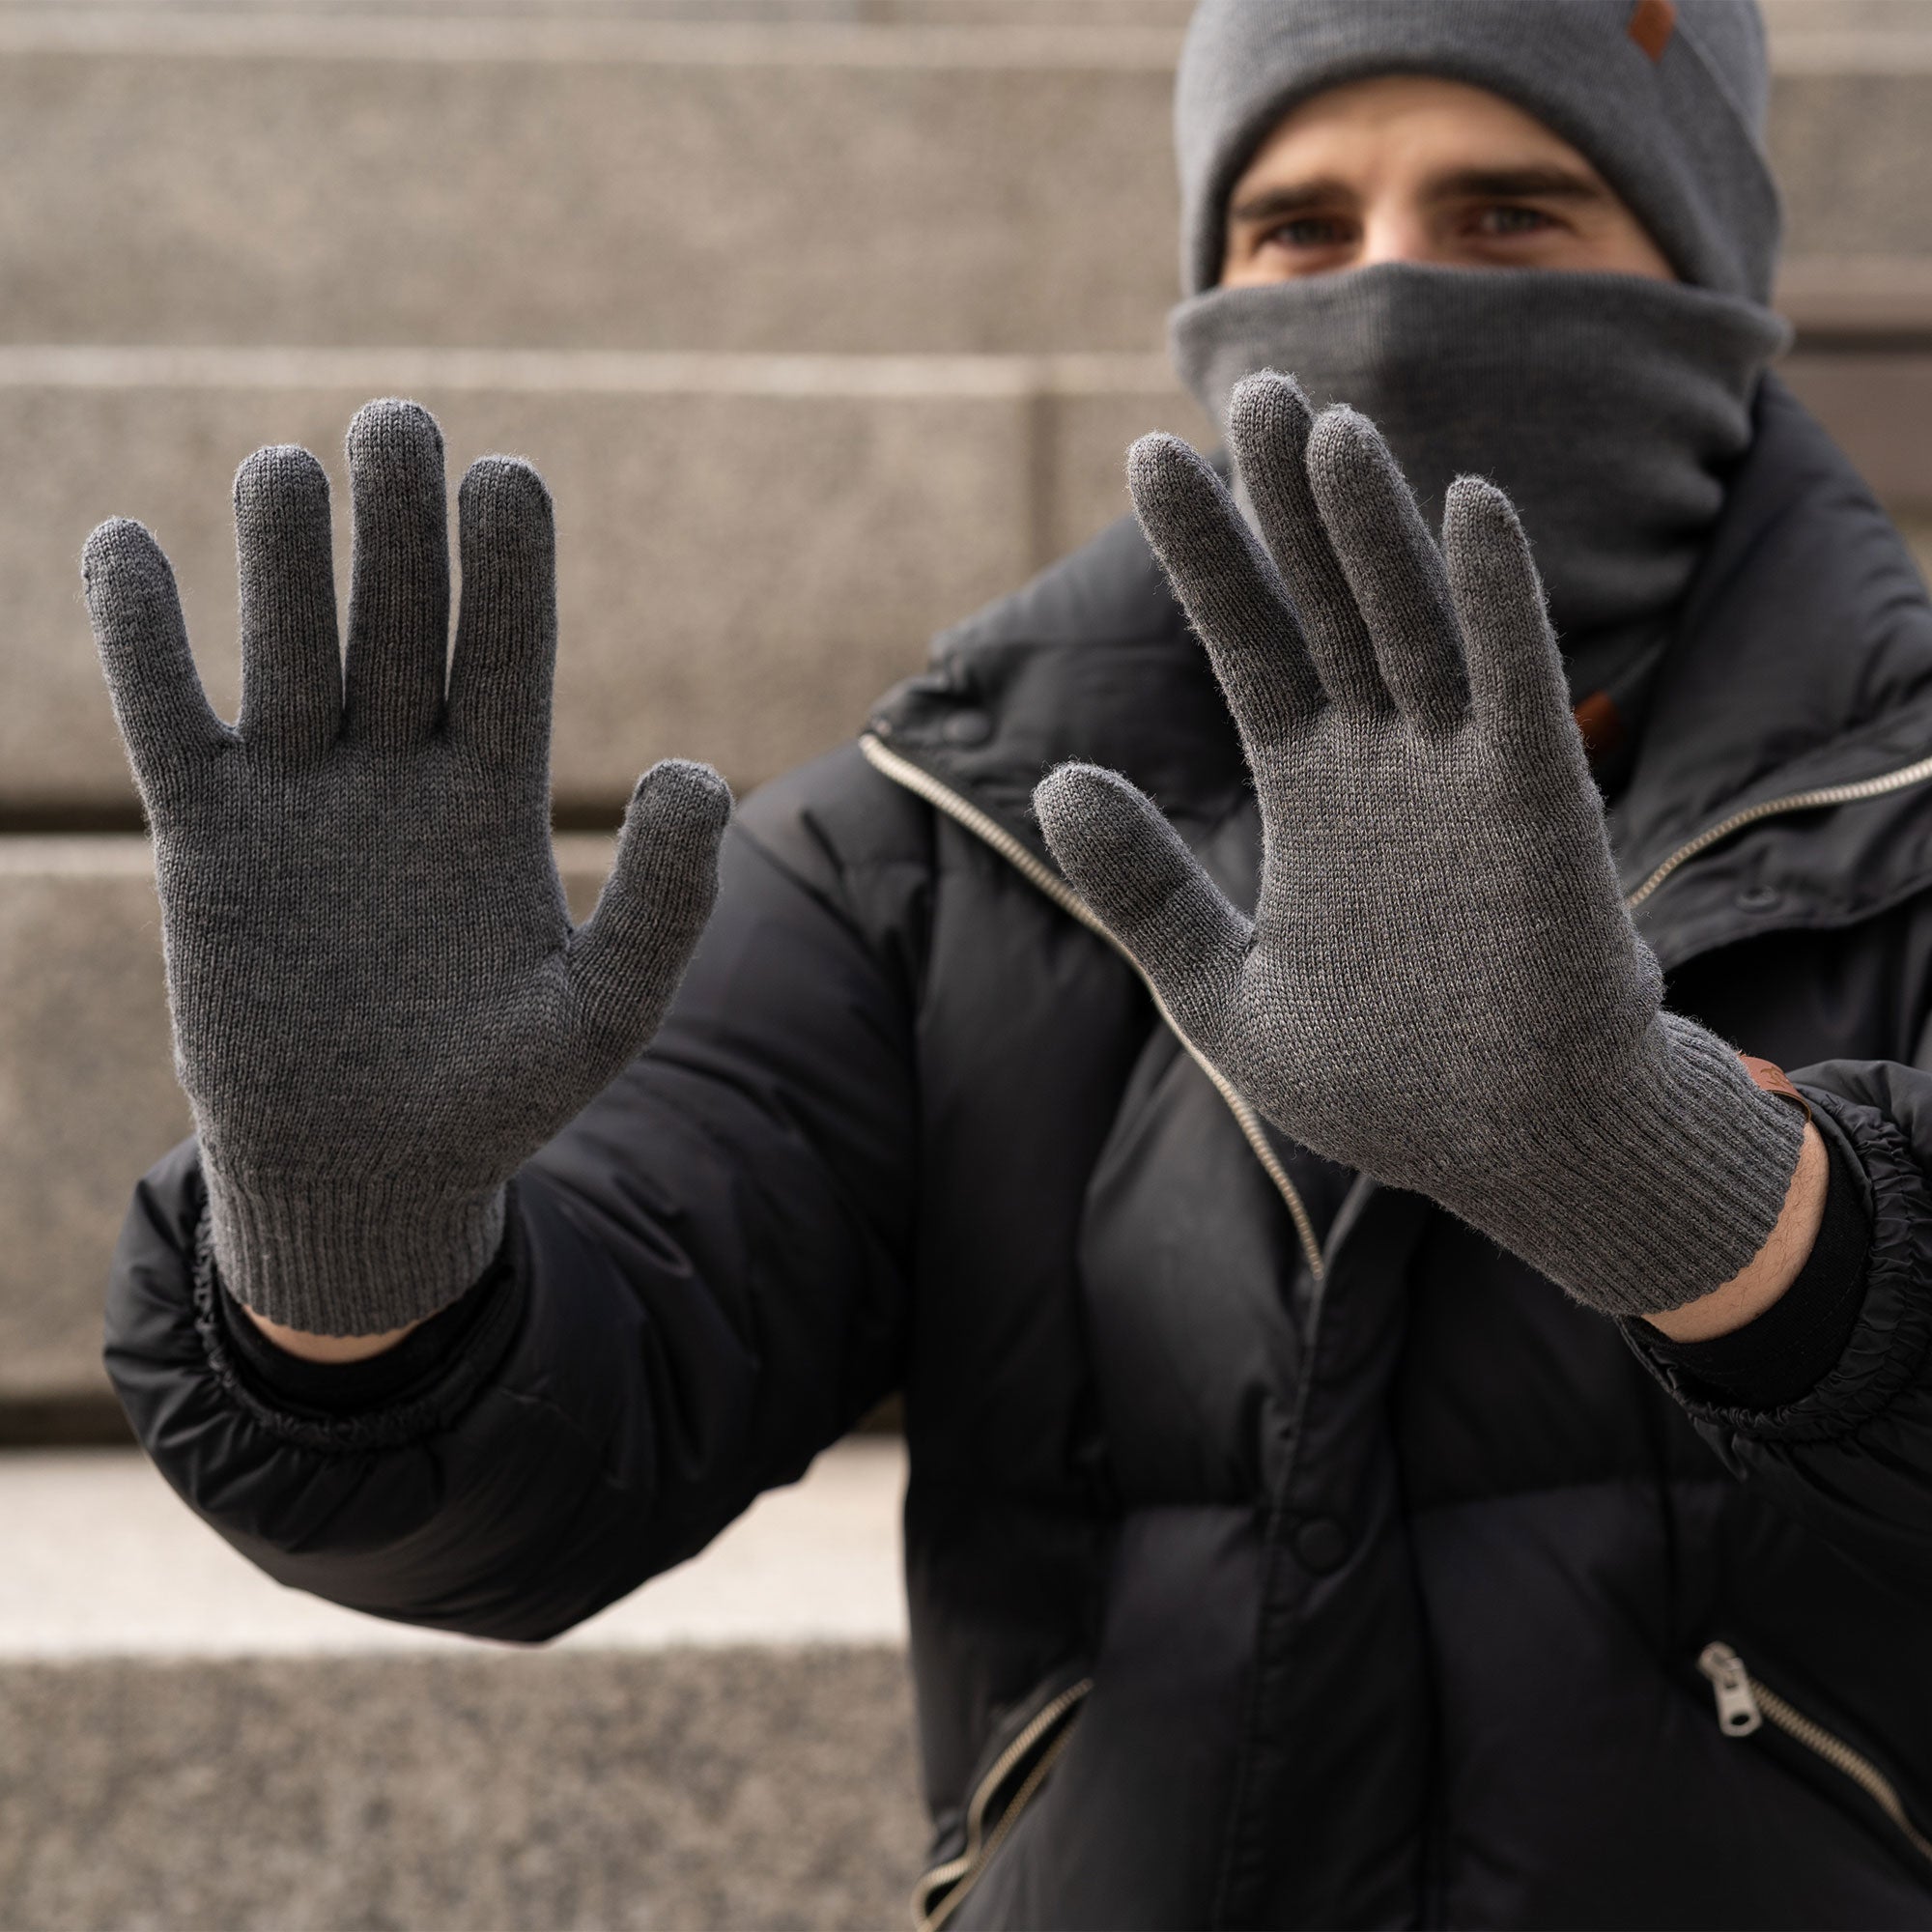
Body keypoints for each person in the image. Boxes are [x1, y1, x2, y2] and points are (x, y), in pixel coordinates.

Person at [84, 2, 1932, 1923]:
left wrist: (1691, 1189)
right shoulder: (952, 836)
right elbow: (572, 1426)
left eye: (1504, 213)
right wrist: (351, 1265)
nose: (1386, 296)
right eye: (1297, 225)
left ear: (1702, 264)